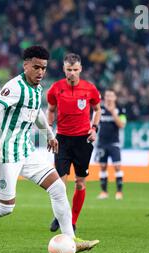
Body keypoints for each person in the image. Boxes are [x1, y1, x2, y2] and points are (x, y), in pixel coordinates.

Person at [0, 46, 99, 253]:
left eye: (43, 68)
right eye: (36, 67)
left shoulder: (37, 89)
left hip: (25, 150)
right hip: (5, 153)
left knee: (58, 188)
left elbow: (37, 114)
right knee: (6, 206)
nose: (41, 72)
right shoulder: (15, 87)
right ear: (25, 65)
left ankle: (71, 240)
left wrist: (50, 136)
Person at [46, 53, 102, 233]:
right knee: (59, 185)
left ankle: (72, 221)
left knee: (79, 183)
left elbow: (97, 109)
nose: (72, 73)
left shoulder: (89, 89)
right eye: (69, 70)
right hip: (61, 139)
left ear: (81, 69)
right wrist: (49, 132)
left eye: (75, 70)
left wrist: (94, 129)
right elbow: (51, 110)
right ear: (64, 69)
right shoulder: (55, 88)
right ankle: (60, 216)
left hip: (82, 140)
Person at [95, 89, 127, 200]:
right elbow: (94, 124)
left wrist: (113, 112)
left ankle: (119, 192)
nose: (108, 98)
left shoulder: (120, 110)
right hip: (102, 143)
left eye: (111, 96)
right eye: (107, 95)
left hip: (114, 143)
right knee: (103, 167)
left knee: (117, 166)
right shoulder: (99, 109)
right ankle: (104, 192)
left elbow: (122, 125)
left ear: (115, 98)